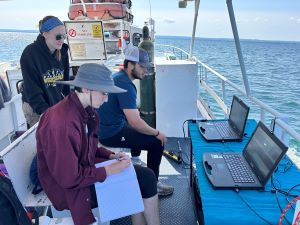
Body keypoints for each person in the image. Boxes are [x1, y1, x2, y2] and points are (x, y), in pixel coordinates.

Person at [36, 63, 160, 225]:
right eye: (104, 93)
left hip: (83, 171)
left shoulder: (85, 110)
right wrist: (109, 169)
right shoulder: (63, 124)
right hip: (69, 190)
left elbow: (88, 148)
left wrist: (111, 155)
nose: (107, 99)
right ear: (87, 89)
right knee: (145, 179)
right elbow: (68, 179)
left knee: (144, 177)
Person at [97, 47, 174, 196]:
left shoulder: (119, 77)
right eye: (142, 66)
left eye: (147, 66)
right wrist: (158, 133)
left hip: (107, 126)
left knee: (139, 119)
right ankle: (153, 184)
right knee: (157, 143)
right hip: (110, 133)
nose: (145, 70)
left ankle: (136, 159)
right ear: (130, 65)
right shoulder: (125, 84)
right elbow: (135, 123)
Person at [20, 15, 70, 128]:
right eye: (58, 36)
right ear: (45, 34)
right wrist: (46, 112)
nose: (61, 40)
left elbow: (65, 83)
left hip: (56, 105)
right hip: (36, 108)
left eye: (64, 36)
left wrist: (68, 105)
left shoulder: (62, 52)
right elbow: (32, 90)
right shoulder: (30, 54)